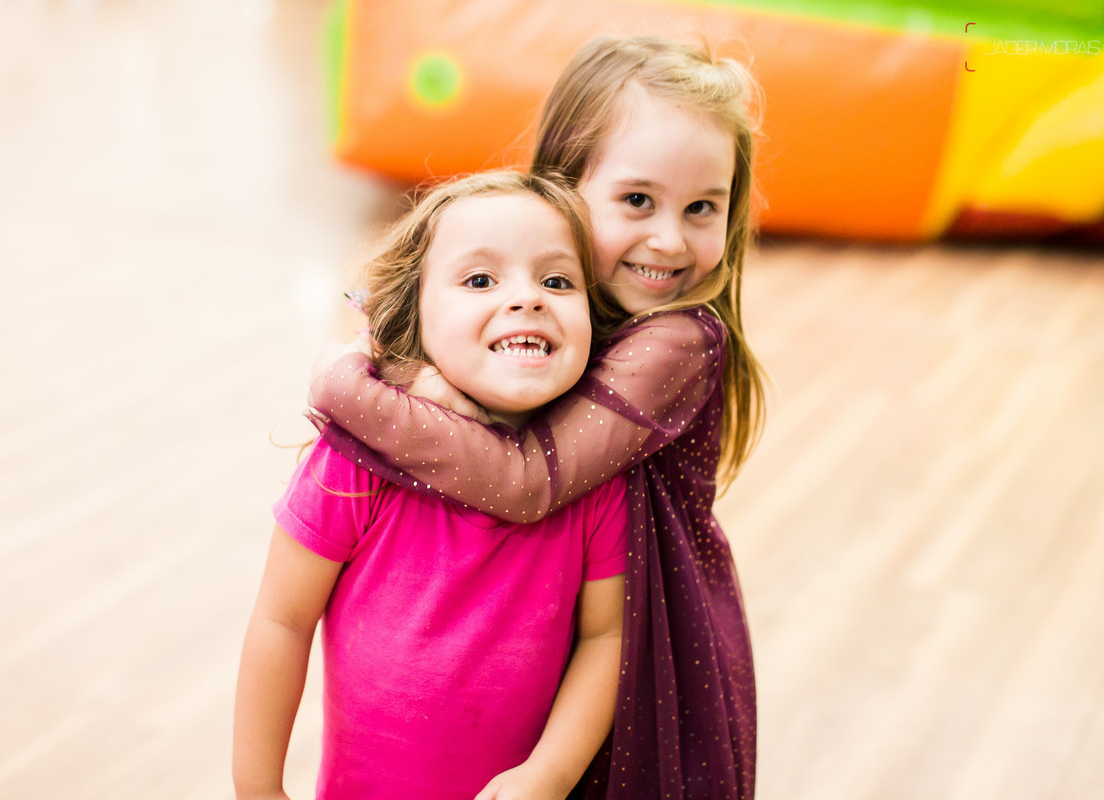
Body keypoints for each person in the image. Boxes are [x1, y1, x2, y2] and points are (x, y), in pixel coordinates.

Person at [308, 35, 766, 799]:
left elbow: (527, 480)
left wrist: (345, 386)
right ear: (561, 187)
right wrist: (407, 364)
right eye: (637, 200)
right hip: (553, 627)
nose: (668, 239)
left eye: (702, 209)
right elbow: (393, 307)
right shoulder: (553, 308)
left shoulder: (681, 340)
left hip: (647, 653)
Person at [233, 171, 629, 800]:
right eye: (480, 280)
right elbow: (282, 620)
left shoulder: (594, 478)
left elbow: (607, 636)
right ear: (416, 312)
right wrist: (258, 790)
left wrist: (548, 774)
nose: (527, 298)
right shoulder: (356, 461)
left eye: (556, 280)